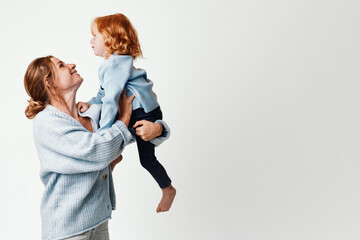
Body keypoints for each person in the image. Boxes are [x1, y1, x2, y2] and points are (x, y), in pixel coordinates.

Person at [24, 56, 170, 240]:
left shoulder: (92, 113)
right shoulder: (47, 122)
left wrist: (158, 128)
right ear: (48, 82)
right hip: (67, 230)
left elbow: (129, 134)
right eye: (61, 65)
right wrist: (124, 119)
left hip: (99, 221)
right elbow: (98, 150)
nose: (72, 64)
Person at [77, 13, 176, 213]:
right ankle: (115, 156)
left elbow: (112, 103)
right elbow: (104, 95)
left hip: (143, 113)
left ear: (110, 39)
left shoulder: (114, 65)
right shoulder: (115, 63)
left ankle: (167, 189)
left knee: (146, 159)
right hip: (144, 109)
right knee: (102, 113)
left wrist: (103, 135)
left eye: (95, 36)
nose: (91, 40)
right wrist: (89, 103)